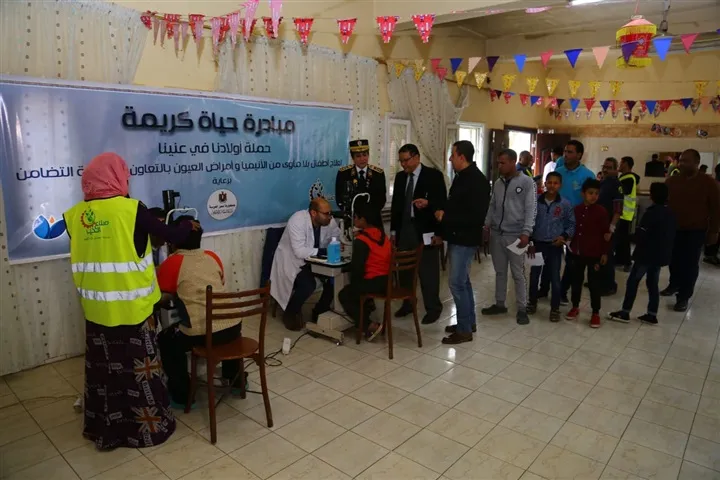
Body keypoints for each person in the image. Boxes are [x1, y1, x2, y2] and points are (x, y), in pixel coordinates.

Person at [63, 152, 195, 450]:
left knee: (105, 376)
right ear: (118, 177)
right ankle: (147, 430)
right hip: (135, 313)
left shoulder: (75, 216)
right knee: (140, 375)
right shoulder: (132, 210)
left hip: (97, 313)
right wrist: (188, 225)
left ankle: (105, 430)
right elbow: (171, 234)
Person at [157, 217, 244, 407]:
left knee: (166, 340)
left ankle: (182, 395)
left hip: (203, 334)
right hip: (233, 326)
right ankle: (236, 381)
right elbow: (219, 283)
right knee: (224, 326)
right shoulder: (212, 257)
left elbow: (160, 294)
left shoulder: (172, 263)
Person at [437, 140, 491, 344]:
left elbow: (475, 216)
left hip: (465, 238)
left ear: (462, 156)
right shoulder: (462, 177)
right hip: (457, 236)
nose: (450, 159)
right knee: (463, 282)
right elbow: (456, 204)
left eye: (453, 155)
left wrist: (446, 217)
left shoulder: (477, 181)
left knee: (457, 283)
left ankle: (464, 330)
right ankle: (468, 322)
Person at [390, 143, 447, 324]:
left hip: (426, 229)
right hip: (404, 229)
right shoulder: (400, 178)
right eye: (400, 161)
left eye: (406, 160)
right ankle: (407, 303)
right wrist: (393, 231)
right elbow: (396, 206)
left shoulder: (433, 176)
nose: (403, 164)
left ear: (416, 158)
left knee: (428, 271)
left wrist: (439, 232)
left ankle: (433, 308)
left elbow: (442, 204)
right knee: (404, 270)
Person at [482, 149, 537, 325]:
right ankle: (500, 304)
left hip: (516, 235)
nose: (499, 166)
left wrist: (526, 232)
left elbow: (530, 209)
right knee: (500, 271)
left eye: (503, 163)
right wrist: (486, 225)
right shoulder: (498, 183)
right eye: (498, 162)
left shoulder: (526, 182)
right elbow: (492, 205)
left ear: (513, 162)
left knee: (518, 273)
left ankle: (522, 308)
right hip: (497, 234)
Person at [661, 149, 720, 311]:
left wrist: (714, 231)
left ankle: (683, 297)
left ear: (697, 162)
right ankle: (674, 284)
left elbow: (716, 209)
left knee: (689, 264)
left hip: (695, 231)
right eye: (681, 160)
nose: (681, 164)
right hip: (674, 229)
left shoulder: (708, 183)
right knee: (673, 260)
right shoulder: (672, 181)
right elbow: (664, 204)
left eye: (686, 161)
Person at [270, 197, 342, 330]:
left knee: (334, 279)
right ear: (313, 213)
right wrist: (323, 251)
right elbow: (299, 251)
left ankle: (319, 311)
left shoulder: (328, 221)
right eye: (326, 214)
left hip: (316, 261)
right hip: (294, 262)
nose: (330, 217)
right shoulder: (297, 220)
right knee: (308, 285)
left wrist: (340, 243)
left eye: (330, 213)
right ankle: (290, 314)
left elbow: (337, 236)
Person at [609, 183, 675, 325]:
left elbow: (641, 234)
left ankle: (625, 312)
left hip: (646, 254)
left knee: (633, 281)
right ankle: (652, 314)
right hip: (660, 255)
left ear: (652, 195)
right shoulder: (670, 213)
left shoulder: (651, 213)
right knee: (653, 283)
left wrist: (626, 238)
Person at [338, 197, 391, 340]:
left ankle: (369, 325)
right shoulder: (383, 236)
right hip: (387, 280)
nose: (354, 220)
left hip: (373, 283)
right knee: (357, 288)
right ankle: (366, 309)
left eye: (355, 217)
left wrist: (345, 267)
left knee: (345, 293)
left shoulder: (362, 241)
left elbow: (357, 269)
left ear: (363, 219)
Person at [527, 172, 575, 322]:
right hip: (537, 244)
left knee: (555, 277)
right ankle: (532, 302)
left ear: (560, 185)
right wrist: (529, 241)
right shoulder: (535, 202)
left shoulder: (565, 204)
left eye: (556, 183)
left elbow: (571, 224)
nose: (552, 186)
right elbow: (528, 221)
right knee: (534, 275)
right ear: (545, 184)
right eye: (549, 182)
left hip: (555, 246)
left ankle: (555, 308)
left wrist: (564, 237)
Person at [565, 179, 610, 328]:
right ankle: (575, 306)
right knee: (576, 281)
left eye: (596, 193)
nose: (593, 196)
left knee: (594, 284)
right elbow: (571, 229)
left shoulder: (601, 212)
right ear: (583, 193)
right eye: (590, 193)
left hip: (594, 254)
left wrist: (604, 253)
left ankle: (595, 312)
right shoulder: (576, 210)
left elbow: (606, 234)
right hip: (577, 253)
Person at [555, 140, 595, 304]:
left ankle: (563, 291)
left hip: (577, 222)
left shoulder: (587, 175)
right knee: (551, 257)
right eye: (565, 151)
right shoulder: (558, 172)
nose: (566, 155)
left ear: (579, 155)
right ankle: (544, 289)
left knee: (572, 260)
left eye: (570, 152)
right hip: (556, 221)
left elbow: (591, 200)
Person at [335, 139, 386, 215]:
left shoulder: (378, 174)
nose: (362, 159)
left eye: (365, 155)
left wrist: (369, 216)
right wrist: (353, 215)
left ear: (368, 155)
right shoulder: (343, 174)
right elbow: (339, 198)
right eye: (358, 156)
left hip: (372, 217)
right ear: (353, 158)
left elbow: (381, 199)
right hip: (352, 217)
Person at [596, 157, 623, 295]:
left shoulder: (616, 185)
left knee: (607, 255)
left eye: (609, 168)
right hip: (599, 225)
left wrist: (611, 228)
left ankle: (609, 285)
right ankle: (598, 280)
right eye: (604, 167)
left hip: (608, 226)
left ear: (616, 170)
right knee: (598, 254)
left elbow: (618, 209)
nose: (605, 170)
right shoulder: (602, 182)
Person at [615, 156, 640, 272]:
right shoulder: (624, 177)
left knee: (624, 240)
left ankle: (627, 262)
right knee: (619, 239)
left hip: (625, 213)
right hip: (621, 212)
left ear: (626, 164)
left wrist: (615, 182)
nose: (619, 165)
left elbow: (624, 191)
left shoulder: (629, 178)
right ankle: (619, 260)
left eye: (621, 163)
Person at [704, 163, 720, 266]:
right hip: (713, 215)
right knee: (714, 234)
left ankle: (711, 254)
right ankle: (710, 255)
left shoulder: (713, 183)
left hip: (714, 214)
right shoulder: (714, 185)